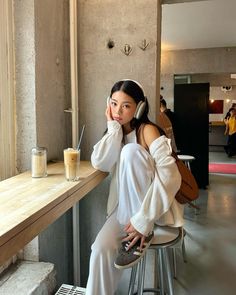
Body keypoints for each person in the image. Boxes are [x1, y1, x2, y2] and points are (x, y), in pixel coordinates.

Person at [86, 79, 184, 295]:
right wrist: (113, 128)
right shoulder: (116, 133)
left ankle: (143, 229)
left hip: (151, 214)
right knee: (99, 251)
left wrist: (143, 220)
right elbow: (99, 162)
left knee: (130, 152)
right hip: (123, 214)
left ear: (139, 107)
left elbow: (171, 177)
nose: (118, 111)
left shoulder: (147, 130)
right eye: (113, 104)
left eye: (126, 105)